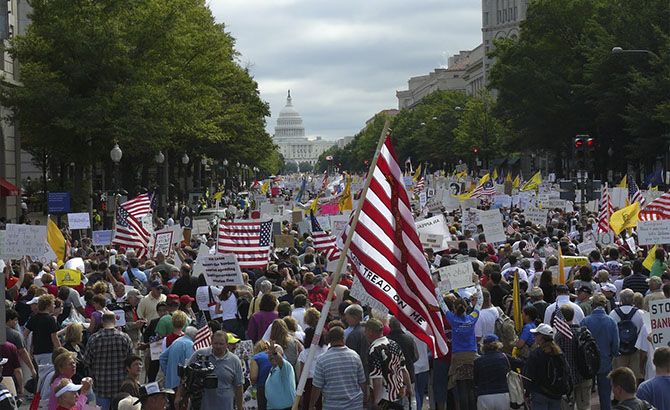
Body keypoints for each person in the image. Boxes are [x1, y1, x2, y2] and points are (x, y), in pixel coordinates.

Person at [175, 330, 243, 410]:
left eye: (221, 344)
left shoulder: (235, 360)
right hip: (202, 405)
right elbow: (185, 376)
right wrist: (179, 395)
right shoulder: (199, 354)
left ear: (227, 344)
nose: (218, 346)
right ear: (211, 342)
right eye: (215, 343)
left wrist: (240, 407)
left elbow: (239, 386)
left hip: (225, 405)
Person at [83, 312, 133, 410]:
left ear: (102, 321)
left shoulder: (94, 338)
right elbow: (131, 360)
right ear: (115, 321)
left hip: (101, 386)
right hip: (120, 386)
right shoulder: (125, 338)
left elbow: (86, 361)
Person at [311, 325, 367, 410]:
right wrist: (365, 399)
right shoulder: (355, 356)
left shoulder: (322, 359)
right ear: (343, 338)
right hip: (355, 405)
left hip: (332, 405)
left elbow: (317, 387)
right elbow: (362, 382)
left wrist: (311, 405)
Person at [582, 293, 619, 410]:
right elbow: (616, 344)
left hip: (588, 362)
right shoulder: (611, 321)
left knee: (586, 395)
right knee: (605, 393)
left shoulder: (585, 321)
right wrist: (613, 354)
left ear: (592, 305)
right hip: (605, 360)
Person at [364, 318, 411, 410]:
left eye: (365, 330)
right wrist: (409, 388)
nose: (364, 333)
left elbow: (377, 377)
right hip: (398, 393)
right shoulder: (394, 344)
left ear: (370, 332)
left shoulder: (374, 350)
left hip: (384, 398)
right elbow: (403, 369)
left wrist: (377, 401)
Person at [523, 323, 570, 409]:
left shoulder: (536, 354)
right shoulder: (559, 353)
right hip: (556, 393)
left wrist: (527, 393)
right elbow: (566, 371)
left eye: (536, 334)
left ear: (541, 337)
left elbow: (529, 375)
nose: (534, 336)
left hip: (539, 393)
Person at [553, 305, 591, 410]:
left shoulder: (560, 336)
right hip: (584, 375)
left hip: (568, 378)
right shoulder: (584, 332)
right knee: (585, 406)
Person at [474, 334, 523, 410]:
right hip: (502, 395)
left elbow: (475, 381)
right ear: (498, 344)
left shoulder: (478, 361)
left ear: (483, 346)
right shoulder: (504, 357)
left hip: (484, 395)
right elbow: (521, 363)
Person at [610, 289, 645, 381]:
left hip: (619, 349)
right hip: (636, 349)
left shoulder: (613, 313)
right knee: (634, 377)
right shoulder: (641, 313)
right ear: (633, 299)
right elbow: (645, 332)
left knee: (619, 376)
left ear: (621, 299)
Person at [296, 327, 327, 410]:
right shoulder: (326, 349)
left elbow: (302, 373)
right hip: (324, 381)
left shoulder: (304, 353)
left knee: (308, 404)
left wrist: (300, 387)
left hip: (309, 383)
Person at [25, 294, 60, 365]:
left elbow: (25, 334)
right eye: (53, 304)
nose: (54, 306)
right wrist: (61, 350)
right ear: (47, 306)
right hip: (48, 352)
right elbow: (54, 338)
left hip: (36, 352)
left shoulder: (33, 318)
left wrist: (29, 348)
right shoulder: (51, 319)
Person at [265, 343, 296, 410]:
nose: (271, 356)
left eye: (274, 354)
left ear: (281, 355)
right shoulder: (272, 369)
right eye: (269, 354)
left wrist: (275, 353)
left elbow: (280, 361)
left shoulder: (286, 367)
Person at [344, 304, 370, 376]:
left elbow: (349, 358)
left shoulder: (353, 335)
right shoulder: (368, 330)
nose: (346, 320)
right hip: (368, 371)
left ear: (354, 317)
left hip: (358, 373)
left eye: (347, 317)